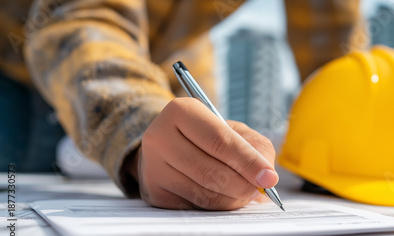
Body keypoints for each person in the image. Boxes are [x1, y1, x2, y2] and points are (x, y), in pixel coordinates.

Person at [0, 0, 363, 210]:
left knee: (203, 175)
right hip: (26, 78)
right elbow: (85, 21)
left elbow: (330, 32)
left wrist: (352, 131)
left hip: (169, 72)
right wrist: (140, 126)